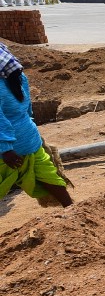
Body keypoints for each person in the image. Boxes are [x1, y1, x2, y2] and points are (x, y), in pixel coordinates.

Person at [0, 44, 73, 208]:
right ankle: (72, 210)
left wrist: (5, 148)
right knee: (49, 176)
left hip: (6, 148)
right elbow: (27, 108)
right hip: (29, 138)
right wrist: (29, 125)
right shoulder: (18, 77)